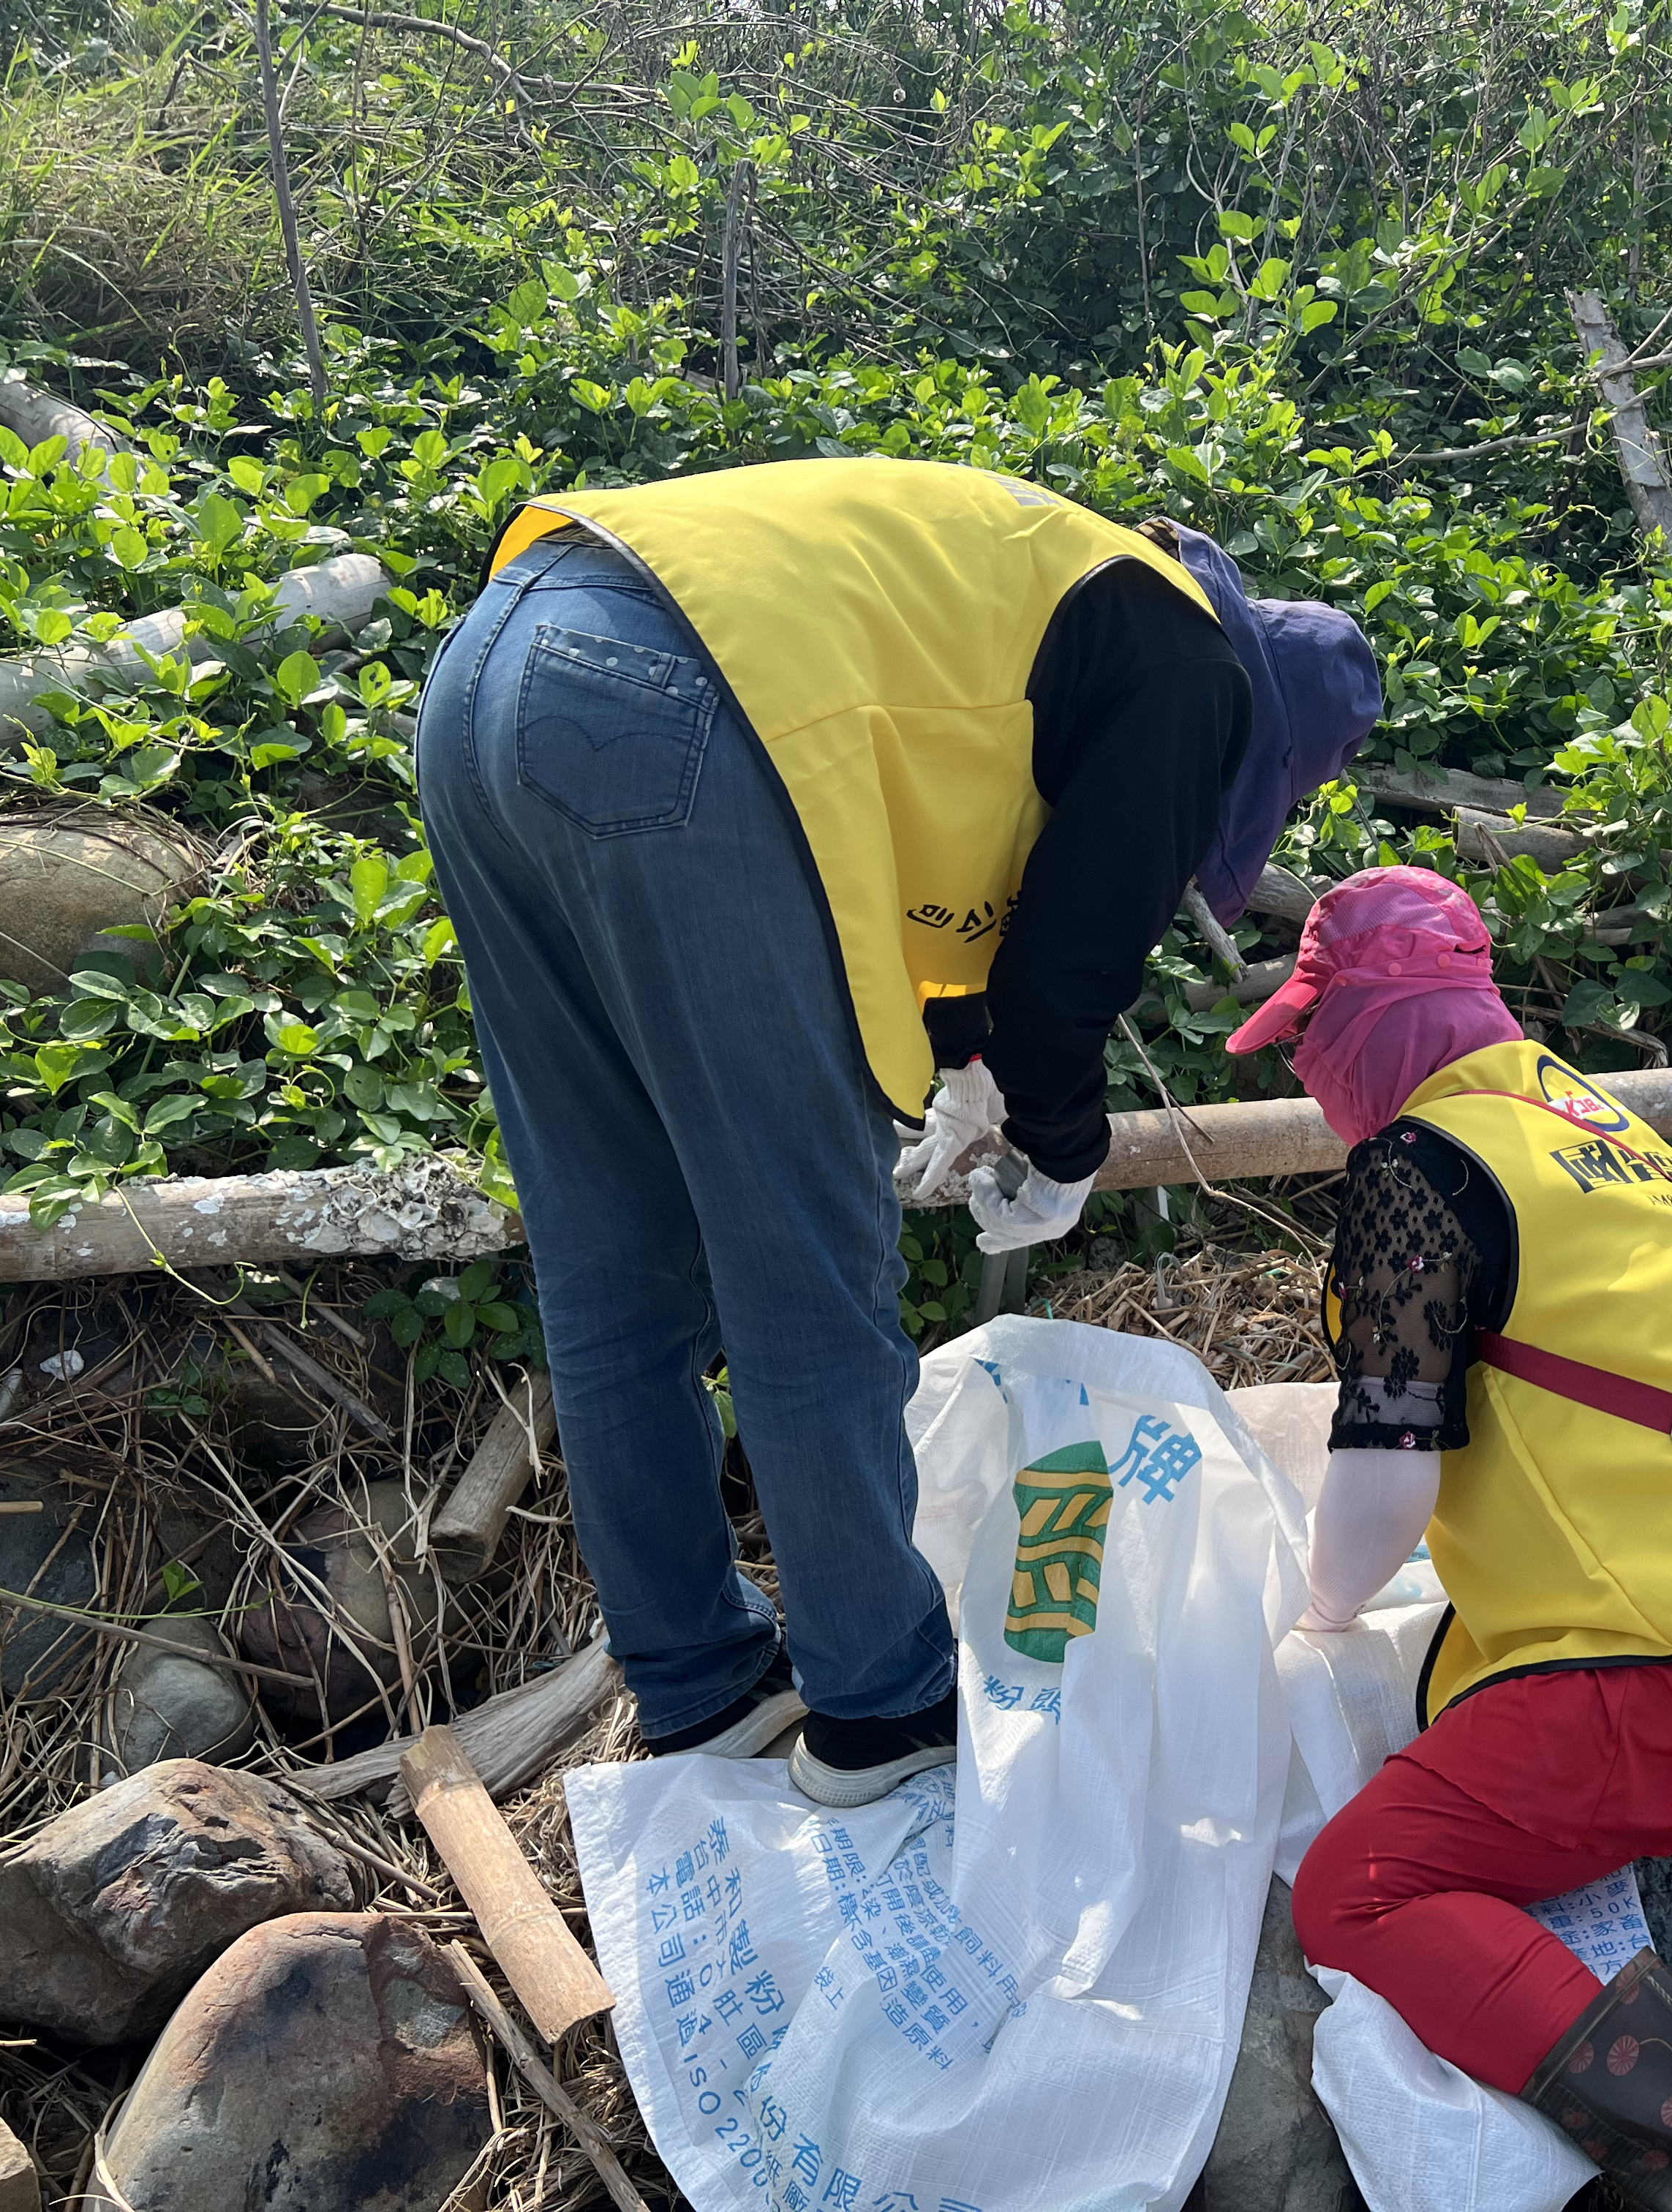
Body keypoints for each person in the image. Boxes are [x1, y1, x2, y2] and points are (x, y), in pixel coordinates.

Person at [418, 457, 1377, 1806]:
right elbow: (1069, 967)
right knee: (802, 1254)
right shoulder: (1194, 672)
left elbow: (920, 856)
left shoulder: (1060, 596)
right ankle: (879, 1708)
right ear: (1265, 743)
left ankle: (699, 1687)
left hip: (487, 673)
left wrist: (965, 1060)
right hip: (683, 700)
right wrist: (1061, 1137)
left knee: (615, 1259)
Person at [1245, 868, 1672, 2212]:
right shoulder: (1593, 1118)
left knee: (1359, 1893)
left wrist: (1316, 1615)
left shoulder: (1419, 1165)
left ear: (1370, 1021)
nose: (1313, 1067)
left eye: (1312, 1034)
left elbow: (1385, 1488)